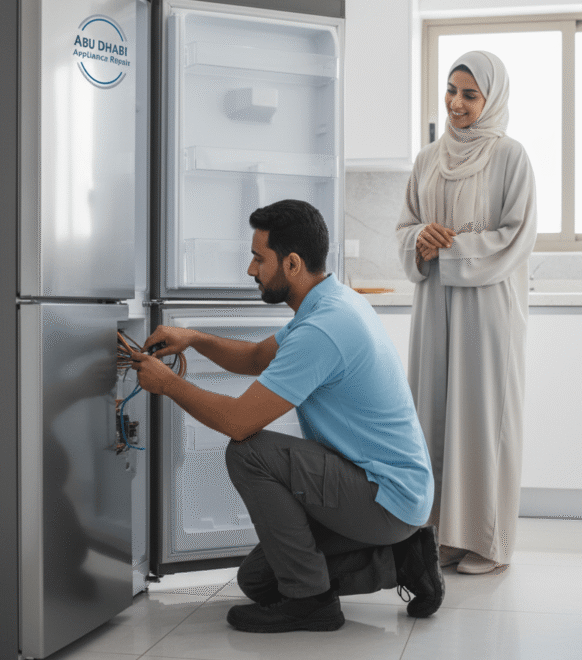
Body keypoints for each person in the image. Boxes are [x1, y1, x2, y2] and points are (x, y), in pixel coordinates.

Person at [131, 199, 443, 633]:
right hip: (390, 493)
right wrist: (194, 338)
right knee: (258, 580)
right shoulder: (330, 302)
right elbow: (258, 357)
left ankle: (313, 603)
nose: (251, 270)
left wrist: (167, 385)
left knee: (249, 451)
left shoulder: (324, 329)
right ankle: (402, 559)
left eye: (259, 258)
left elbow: (239, 422)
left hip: (385, 495)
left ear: (292, 263)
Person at [396, 51, 537, 575]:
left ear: (491, 98)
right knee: (433, 412)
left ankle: (486, 541)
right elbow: (405, 226)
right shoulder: (427, 159)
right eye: (451, 91)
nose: (457, 103)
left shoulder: (510, 157)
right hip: (434, 302)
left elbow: (516, 234)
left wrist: (450, 248)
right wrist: (419, 240)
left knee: (482, 417)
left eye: (470, 94)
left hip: (487, 306)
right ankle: (442, 534)